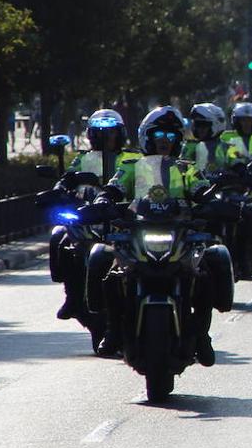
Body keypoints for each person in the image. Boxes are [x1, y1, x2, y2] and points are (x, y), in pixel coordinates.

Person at [100, 107, 215, 364]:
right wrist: (103, 200)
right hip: (138, 234)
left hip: (179, 235)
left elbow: (202, 190)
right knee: (111, 275)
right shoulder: (131, 167)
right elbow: (114, 188)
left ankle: (202, 335)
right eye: (159, 134)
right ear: (147, 137)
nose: (165, 140)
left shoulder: (187, 169)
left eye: (172, 135)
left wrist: (212, 202)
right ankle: (113, 330)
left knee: (206, 273)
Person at [52, 109, 139, 324]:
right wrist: (59, 189)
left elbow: (150, 181)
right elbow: (67, 180)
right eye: (99, 133)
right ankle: (72, 298)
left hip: (122, 216)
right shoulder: (82, 159)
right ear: (91, 135)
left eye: (110, 133)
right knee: (62, 239)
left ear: (120, 134)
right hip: (88, 216)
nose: (105, 138)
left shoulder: (133, 158)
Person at [183, 103, 245, 173]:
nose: (199, 129)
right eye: (197, 125)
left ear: (217, 125)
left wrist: (239, 169)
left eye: (204, 125)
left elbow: (237, 162)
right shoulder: (189, 147)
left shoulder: (226, 148)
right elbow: (182, 166)